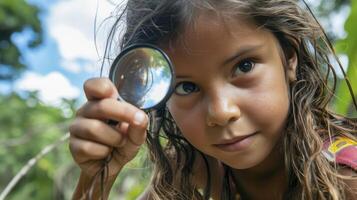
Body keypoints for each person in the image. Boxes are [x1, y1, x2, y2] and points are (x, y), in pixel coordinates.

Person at [69, 0, 357, 199]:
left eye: (244, 67)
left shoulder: (344, 180)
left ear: (289, 56)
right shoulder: (196, 165)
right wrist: (97, 177)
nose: (221, 112)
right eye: (186, 87)